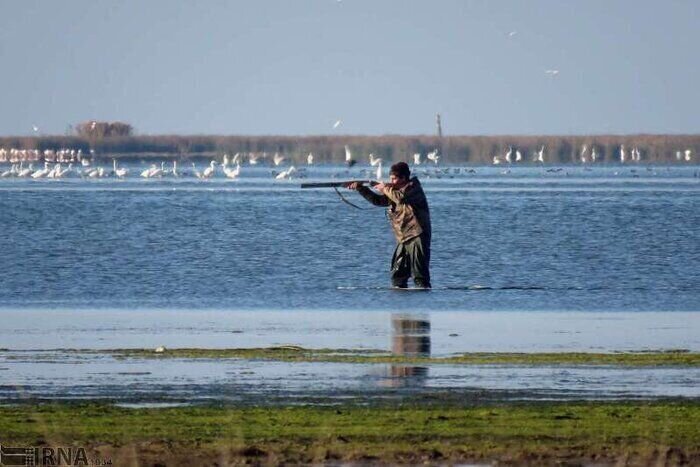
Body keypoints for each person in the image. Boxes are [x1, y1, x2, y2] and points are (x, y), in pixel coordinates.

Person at [345, 161, 432, 289]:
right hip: (403, 237)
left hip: (417, 234)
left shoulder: (413, 187)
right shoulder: (393, 190)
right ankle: (400, 296)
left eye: (394, 178)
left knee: (420, 275)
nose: (391, 181)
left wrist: (384, 188)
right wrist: (361, 188)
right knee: (397, 275)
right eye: (390, 178)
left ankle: (423, 297)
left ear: (404, 178)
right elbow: (378, 201)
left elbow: (400, 197)